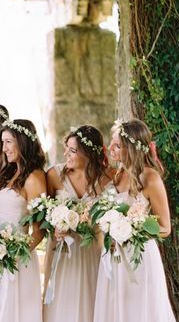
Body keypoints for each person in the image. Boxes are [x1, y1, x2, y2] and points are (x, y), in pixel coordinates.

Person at [93, 119, 176, 322]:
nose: (110, 148)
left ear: (131, 148)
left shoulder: (150, 178)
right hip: (115, 257)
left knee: (139, 310)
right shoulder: (117, 174)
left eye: (117, 145)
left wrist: (130, 230)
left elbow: (165, 227)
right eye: (112, 142)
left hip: (139, 258)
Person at [43, 125, 111, 322]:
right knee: (62, 303)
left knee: (92, 301)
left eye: (72, 151)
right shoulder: (54, 175)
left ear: (89, 153)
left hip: (93, 249)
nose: (66, 154)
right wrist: (54, 227)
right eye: (66, 148)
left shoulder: (108, 177)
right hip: (62, 252)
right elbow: (44, 214)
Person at [0, 119, 46, 322]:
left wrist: (12, 254)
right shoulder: (9, 173)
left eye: (9, 142)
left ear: (23, 142)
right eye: (3, 142)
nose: (4, 148)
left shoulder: (34, 178)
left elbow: (38, 231)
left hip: (16, 261)